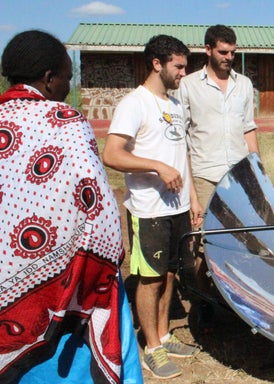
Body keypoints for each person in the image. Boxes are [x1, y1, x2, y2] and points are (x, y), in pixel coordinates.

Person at [0, 30, 141, 383]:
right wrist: (103, 269)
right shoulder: (65, 121)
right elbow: (97, 206)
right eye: (67, 77)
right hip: (64, 288)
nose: (68, 86)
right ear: (49, 80)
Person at [103, 34, 203, 380]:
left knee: (170, 273)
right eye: (178, 66)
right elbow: (112, 154)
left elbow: (182, 156)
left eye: (185, 65)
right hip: (149, 210)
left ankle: (163, 335)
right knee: (149, 279)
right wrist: (156, 167)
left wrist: (192, 199)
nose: (183, 72)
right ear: (157, 64)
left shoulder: (174, 104)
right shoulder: (135, 103)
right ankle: (152, 349)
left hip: (176, 209)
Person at [177, 24, 260, 328]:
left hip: (239, 176)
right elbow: (181, 137)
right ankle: (202, 302)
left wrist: (257, 171)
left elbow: (248, 128)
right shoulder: (188, 86)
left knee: (240, 239)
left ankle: (233, 300)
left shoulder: (244, 85)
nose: (229, 58)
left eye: (233, 53)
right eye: (223, 52)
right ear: (208, 50)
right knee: (202, 243)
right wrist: (192, 193)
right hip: (204, 173)